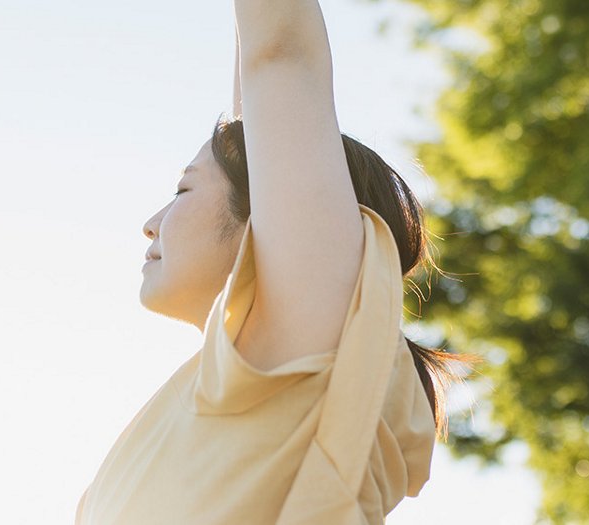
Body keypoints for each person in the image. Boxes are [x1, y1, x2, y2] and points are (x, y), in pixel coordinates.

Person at [78, 2, 481, 523]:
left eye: (182, 190)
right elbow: (257, 117)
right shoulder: (232, 389)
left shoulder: (308, 343)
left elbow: (279, 56)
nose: (151, 223)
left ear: (269, 219)